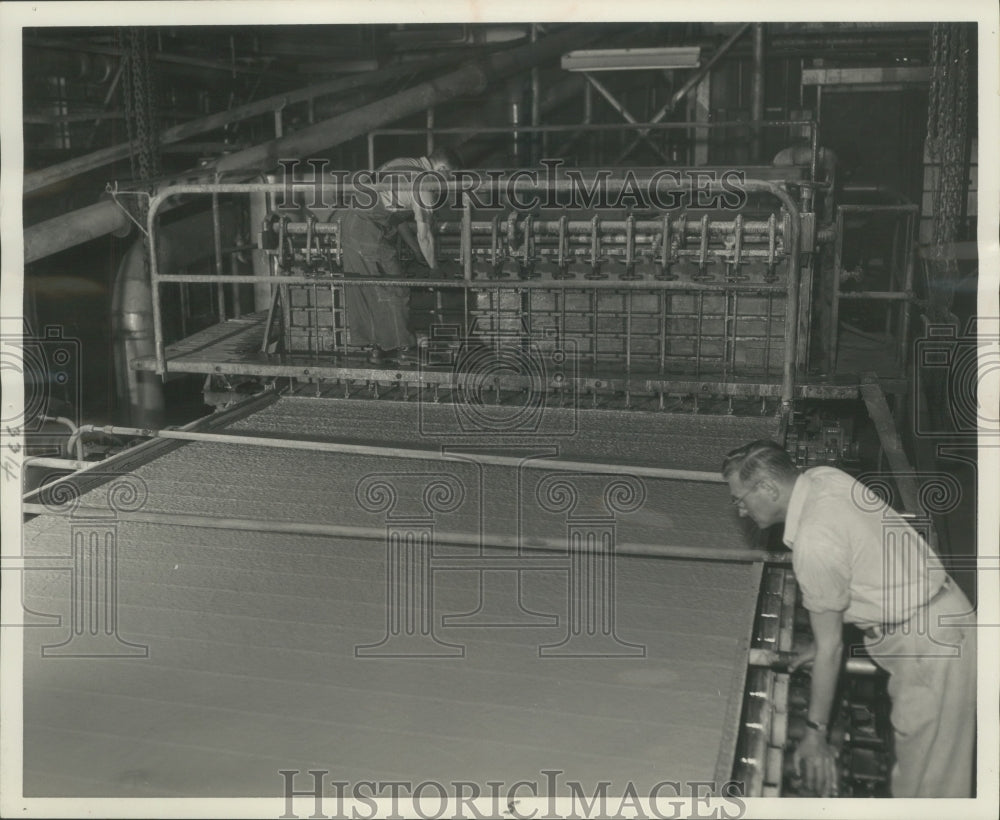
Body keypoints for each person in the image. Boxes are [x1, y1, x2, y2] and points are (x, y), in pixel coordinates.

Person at [721, 440, 975, 798]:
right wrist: (824, 642)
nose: (742, 511)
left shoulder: (813, 542)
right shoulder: (824, 478)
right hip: (942, 617)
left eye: (740, 499)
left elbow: (831, 650)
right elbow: (861, 561)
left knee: (927, 788)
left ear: (767, 488)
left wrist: (815, 733)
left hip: (927, 649)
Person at [340, 146, 459, 364]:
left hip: (352, 225)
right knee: (396, 288)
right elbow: (425, 235)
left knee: (372, 289)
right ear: (442, 169)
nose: (448, 183)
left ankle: (379, 350)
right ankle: (406, 348)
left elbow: (399, 217)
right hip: (369, 231)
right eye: (450, 176)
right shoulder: (425, 182)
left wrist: (415, 251)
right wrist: (435, 269)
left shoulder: (403, 161)